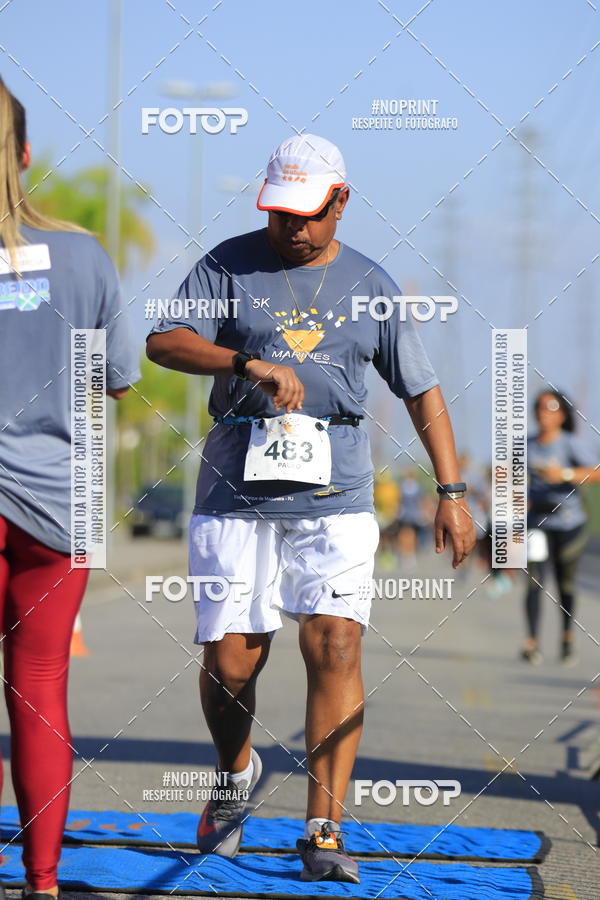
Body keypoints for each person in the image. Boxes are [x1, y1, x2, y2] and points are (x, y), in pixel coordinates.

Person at [146, 134, 476, 883]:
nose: (291, 228)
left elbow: (421, 392)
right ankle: (235, 776)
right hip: (235, 495)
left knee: (335, 646)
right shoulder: (226, 264)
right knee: (232, 662)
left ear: (341, 202)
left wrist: (453, 494)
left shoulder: (375, 286)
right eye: (278, 213)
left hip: (338, 498)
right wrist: (242, 361)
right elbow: (163, 341)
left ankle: (323, 829)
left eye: (307, 213)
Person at [0, 77, 140, 897]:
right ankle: (43, 881)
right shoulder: (83, 254)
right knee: (41, 688)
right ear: (24, 155)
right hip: (57, 506)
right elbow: (120, 377)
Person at [522, 389, 599, 665]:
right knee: (533, 581)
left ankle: (566, 636)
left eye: (552, 407)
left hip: (568, 522)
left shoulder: (570, 444)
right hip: (537, 524)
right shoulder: (526, 445)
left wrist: (564, 474)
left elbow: (596, 472)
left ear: (562, 415)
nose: (545, 412)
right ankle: (532, 642)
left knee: (565, 582)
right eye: (540, 407)